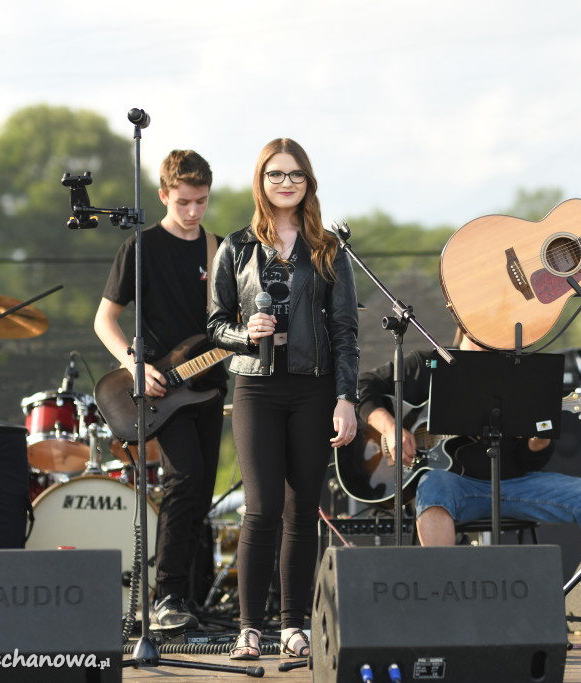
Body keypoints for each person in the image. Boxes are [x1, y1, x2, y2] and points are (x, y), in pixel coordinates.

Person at [356, 328, 581, 641]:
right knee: (433, 485)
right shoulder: (427, 363)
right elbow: (362, 385)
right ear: (461, 324)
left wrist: (538, 438)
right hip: (457, 486)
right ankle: (445, 606)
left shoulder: (520, 376)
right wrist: (389, 426)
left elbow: (530, 460)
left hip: (515, 485)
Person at [208, 138, 360, 660]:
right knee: (262, 507)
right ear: (261, 181)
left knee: (303, 511)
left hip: (315, 389)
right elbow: (214, 325)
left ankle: (293, 625)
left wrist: (345, 398)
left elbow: (345, 333)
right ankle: (250, 628)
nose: (286, 182)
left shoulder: (329, 250)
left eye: (295, 174)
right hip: (255, 386)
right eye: (276, 174)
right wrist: (244, 332)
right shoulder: (235, 246)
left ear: (308, 181)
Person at [94, 149, 227, 631]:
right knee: (185, 479)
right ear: (164, 195)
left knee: (201, 491)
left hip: (209, 385)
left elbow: (228, 322)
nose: (194, 212)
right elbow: (103, 320)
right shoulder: (140, 247)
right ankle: (166, 597)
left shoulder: (219, 249)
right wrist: (134, 364)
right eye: (185, 202)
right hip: (159, 388)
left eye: (202, 202)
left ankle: (185, 599)